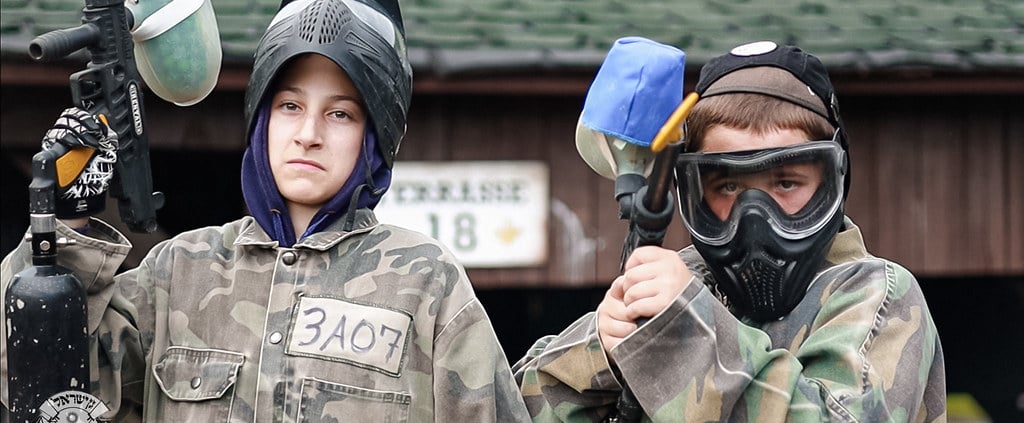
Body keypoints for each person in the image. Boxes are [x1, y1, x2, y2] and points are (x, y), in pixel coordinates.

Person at [1, 0, 531, 421]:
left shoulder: (425, 282)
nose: (308, 134)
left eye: (341, 114)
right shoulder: (178, 273)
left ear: (375, 136)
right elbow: (37, 388)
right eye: (290, 106)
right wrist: (64, 225)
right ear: (262, 119)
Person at [513, 40, 946, 422]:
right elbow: (512, 409)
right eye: (729, 186)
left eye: (786, 182)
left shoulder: (875, 293)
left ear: (831, 180)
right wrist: (601, 353)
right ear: (695, 190)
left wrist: (683, 332)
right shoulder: (681, 285)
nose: (754, 214)